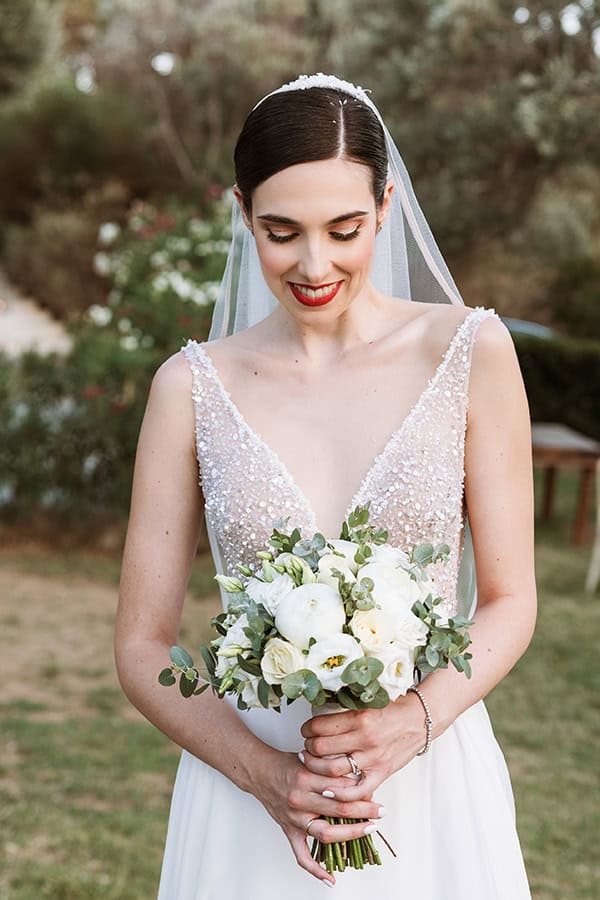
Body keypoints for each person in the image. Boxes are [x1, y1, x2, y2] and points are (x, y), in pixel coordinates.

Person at [115, 74, 537, 898]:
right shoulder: (190, 387)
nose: (314, 265)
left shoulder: (470, 353)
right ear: (243, 214)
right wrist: (264, 774)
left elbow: (510, 599)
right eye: (281, 232)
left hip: (425, 780)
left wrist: (409, 726)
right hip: (250, 795)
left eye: (344, 229)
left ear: (385, 205)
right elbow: (140, 644)